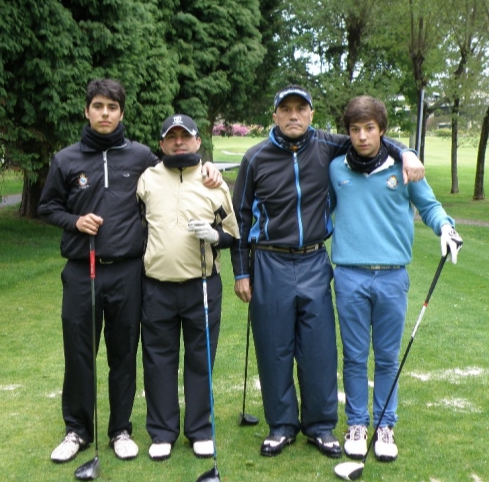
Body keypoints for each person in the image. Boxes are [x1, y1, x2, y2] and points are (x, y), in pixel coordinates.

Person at [230, 85, 425, 459]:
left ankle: (320, 426)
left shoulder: (327, 146)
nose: (293, 116)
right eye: (285, 109)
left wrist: (408, 151)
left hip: (315, 260)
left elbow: (372, 134)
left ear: (310, 114)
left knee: (319, 350)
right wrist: (242, 272)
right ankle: (282, 425)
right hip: (269, 261)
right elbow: (240, 218)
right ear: (274, 116)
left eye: (300, 109)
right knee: (274, 347)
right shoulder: (255, 158)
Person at [38, 79, 222, 464]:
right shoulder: (66, 159)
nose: (105, 113)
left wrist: (209, 169)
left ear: (122, 113)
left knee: (123, 354)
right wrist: (74, 221)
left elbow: (178, 171)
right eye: (98, 106)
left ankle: (120, 428)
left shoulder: (140, 157)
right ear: (86, 110)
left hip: (128, 272)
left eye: (112, 107)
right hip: (81, 270)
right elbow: (47, 207)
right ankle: (77, 430)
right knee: (80, 352)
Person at [329, 95, 462, 462]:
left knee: (387, 357)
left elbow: (429, 206)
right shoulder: (337, 168)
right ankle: (357, 423)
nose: (362, 137)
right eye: (355, 129)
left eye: (369, 128)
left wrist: (446, 228)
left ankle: (385, 425)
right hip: (350, 276)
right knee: (354, 357)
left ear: (382, 130)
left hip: (391, 277)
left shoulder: (405, 167)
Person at [136, 114, 239, 461]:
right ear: (162, 143)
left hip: (203, 287)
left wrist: (215, 236)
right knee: (158, 360)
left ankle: (199, 430)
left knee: (200, 359)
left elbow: (232, 234)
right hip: (157, 287)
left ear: (198, 142)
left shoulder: (215, 182)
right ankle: (163, 431)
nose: (178, 142)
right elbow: (138, 225)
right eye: (171, 137)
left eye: (185, 136)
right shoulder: (148, 179)